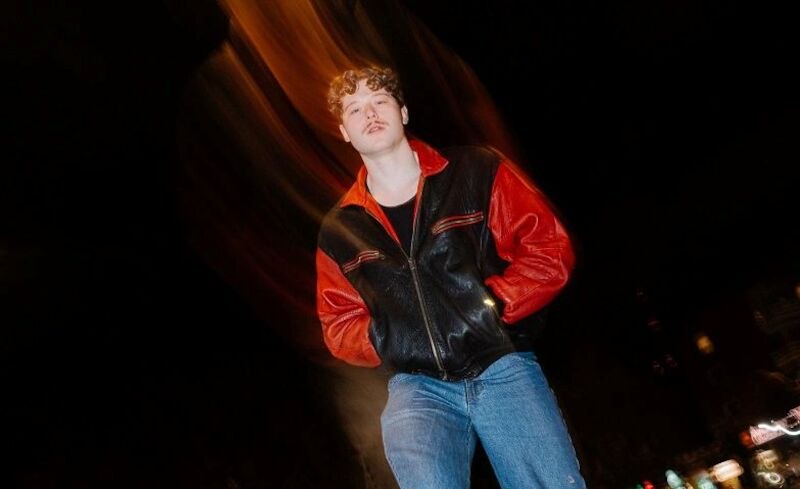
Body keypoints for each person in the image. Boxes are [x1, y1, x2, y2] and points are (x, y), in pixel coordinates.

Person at [316, 65, 586, 488]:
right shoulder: (340, 230)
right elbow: (338, 322)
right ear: (344, 131)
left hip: (500, 364)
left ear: (403, 112)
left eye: (380, 101)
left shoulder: (474, 170)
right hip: (418, 388)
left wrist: (495, 305)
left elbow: (547, 247)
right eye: (354, 109)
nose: (369, 113)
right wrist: (388, 336)